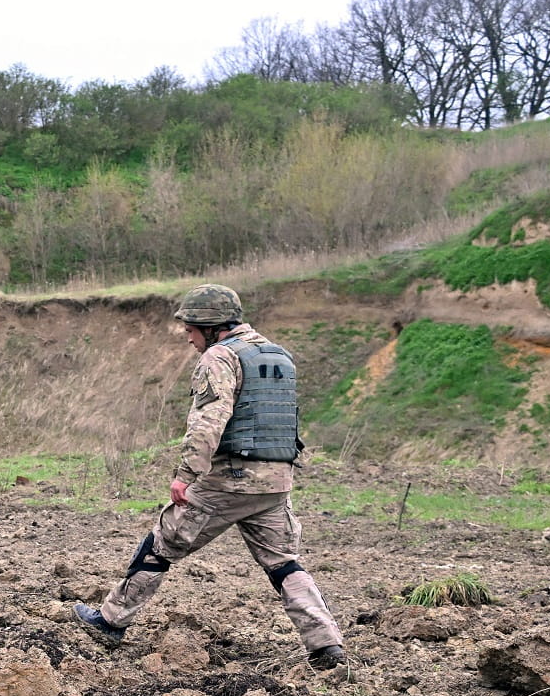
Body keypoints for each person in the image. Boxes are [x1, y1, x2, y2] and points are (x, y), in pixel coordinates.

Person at [74, 284, 346, 670]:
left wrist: (185, 474)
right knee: (284, 563)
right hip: (275, 482)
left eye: (191, 328)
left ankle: (111, 620)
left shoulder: (220, 357)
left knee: (161, 544)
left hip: (228, 480)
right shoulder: (278, 355)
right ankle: (326, 645)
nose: (187, 336)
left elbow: (209, 420)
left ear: (212, 327)